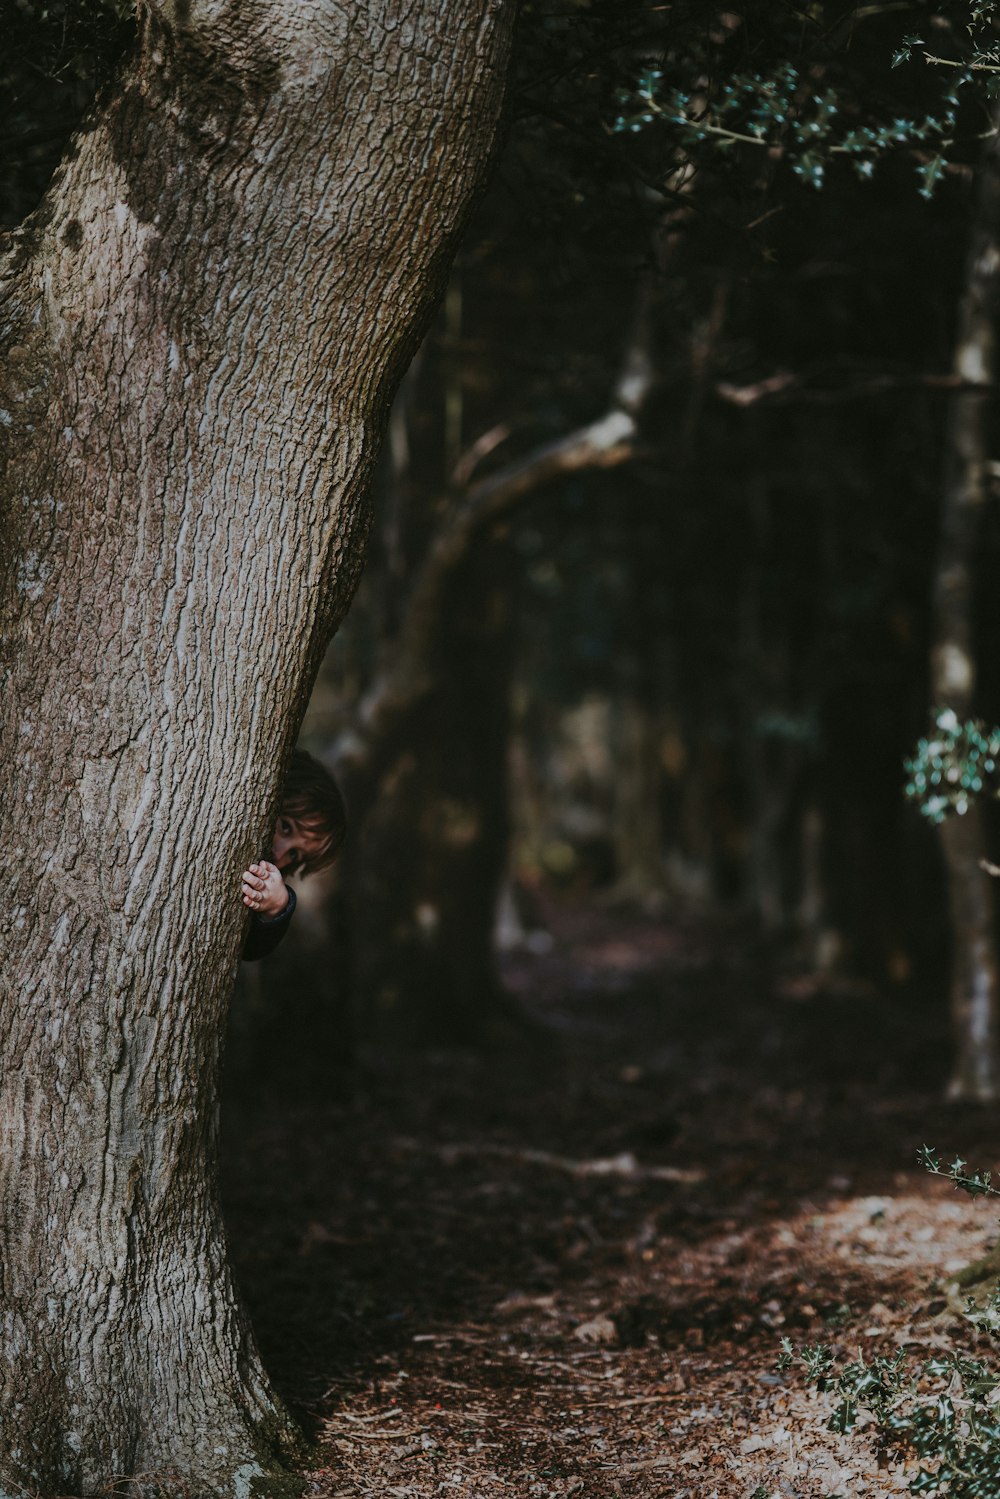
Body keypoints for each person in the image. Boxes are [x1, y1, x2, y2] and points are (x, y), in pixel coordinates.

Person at [240, 749, 347, 961]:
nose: (279, 853)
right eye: (286, 827)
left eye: (295, 855)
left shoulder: (262, 889)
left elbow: (250, 949)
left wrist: (276, 908)